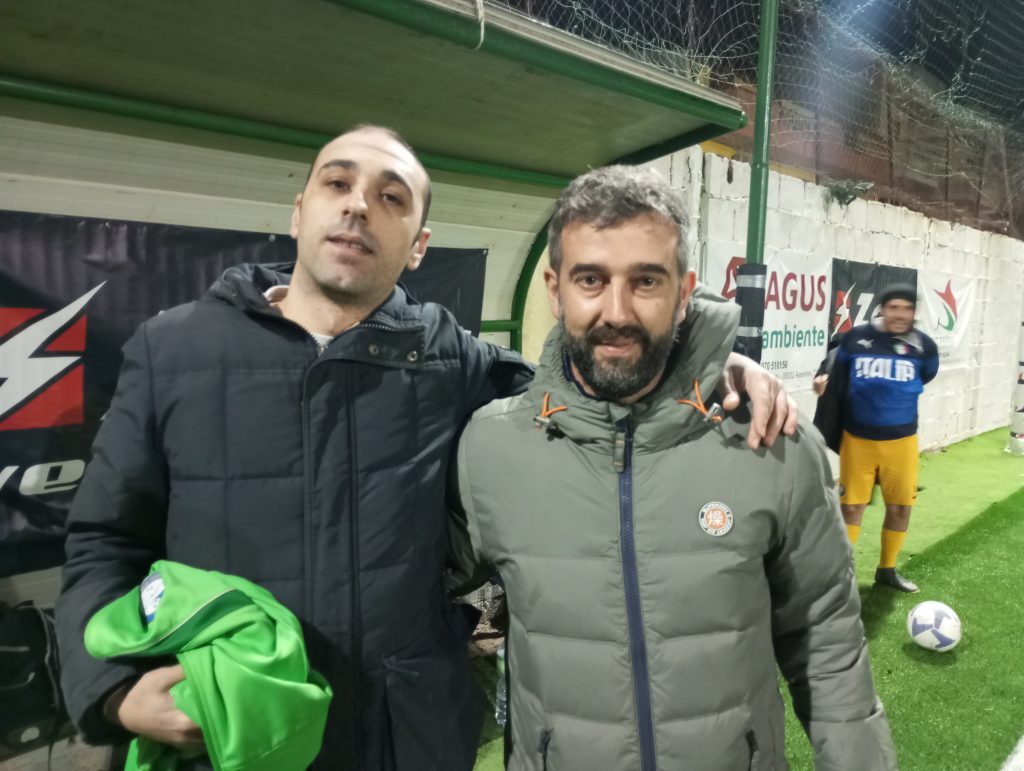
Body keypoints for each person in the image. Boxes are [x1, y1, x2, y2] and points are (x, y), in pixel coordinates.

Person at [55, 126, 797, 771]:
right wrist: (112, 688)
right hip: (230, 737)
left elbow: (594, 380)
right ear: (299, 210)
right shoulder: (174, 350)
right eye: (337, 183)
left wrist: (709, 362)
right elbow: (102, 544)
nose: (358, 205)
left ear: (418, 246)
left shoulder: (450, 358)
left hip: (409, 737)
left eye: (391, 197)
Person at [448, 165, 897, 770]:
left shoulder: (775, 444)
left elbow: (828, 647)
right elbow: (428, 591)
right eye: (590, 279)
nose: (617, 311)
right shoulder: (490, 446)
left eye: (646, 281)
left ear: (684, 294)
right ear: (555, 289)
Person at [814, 284, 939, 593]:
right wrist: (823, 379)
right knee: (851, 507)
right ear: (883, 309)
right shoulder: (857, 338)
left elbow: (927, 374)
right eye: (894, 307)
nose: (900, 314)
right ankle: (839, 575)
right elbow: (835, 366)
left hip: (902, 442)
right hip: (859, 440)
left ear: (914, 312)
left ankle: (887, 570)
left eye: (907, 308)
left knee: (901, 507)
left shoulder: (924, 346)